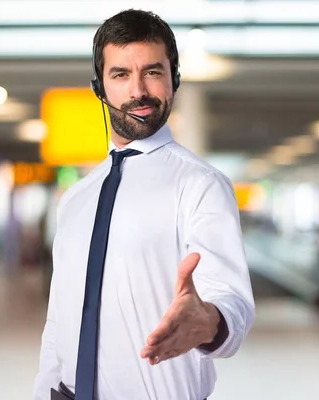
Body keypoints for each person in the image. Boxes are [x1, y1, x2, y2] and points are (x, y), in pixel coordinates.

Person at [33, 10, 255, 400]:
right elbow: (58, 321)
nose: (138, 91)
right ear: (100, 87)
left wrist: (209, 323)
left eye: (153, 72)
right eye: (120, 74)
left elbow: (230, 300)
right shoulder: (75, 200)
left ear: (175, 80)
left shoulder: (200, 185)